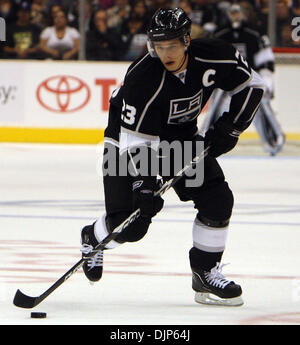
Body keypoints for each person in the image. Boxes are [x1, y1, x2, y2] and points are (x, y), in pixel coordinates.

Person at [80, 7, 265, 306]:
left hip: (179, 137)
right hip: (125, 138)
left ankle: (205, 272)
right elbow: (135, 140)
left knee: (217, 201)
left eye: (172, 45)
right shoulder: (142, 77)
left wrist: (232, 127)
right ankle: (93, 236)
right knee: (131, 223)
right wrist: (144, 184)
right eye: (159, 45)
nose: (165, 53)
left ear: (187, 41)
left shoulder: (214, 54)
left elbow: (252, 85)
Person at [212, 3, 285, 155]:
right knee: (216, 114)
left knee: (259, 112)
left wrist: (267, 79)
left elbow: (265, 58)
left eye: (238, 12)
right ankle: (211, 145)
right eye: (232, 13)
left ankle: (271, 143)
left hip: (250, 81)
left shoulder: (254, 33)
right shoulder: (220, 34)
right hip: (225, 84)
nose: (235, 16)